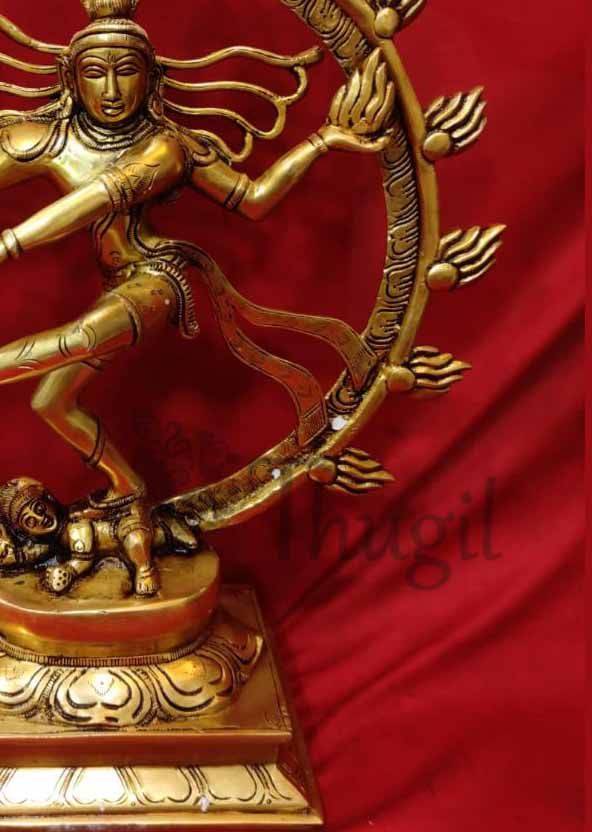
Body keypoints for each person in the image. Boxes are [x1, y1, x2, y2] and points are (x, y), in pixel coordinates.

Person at [0, 0, 394, 594]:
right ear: (72, 79)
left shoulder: (167, 148)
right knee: (51, 404)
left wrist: (322, 140)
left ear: (151, 78)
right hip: (112, 288)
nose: (112, 90)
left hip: (158, 281)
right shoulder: (48, 141)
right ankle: (128, 488)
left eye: (127, 71)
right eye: (96, 73)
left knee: (76, 341)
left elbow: (245, 199)